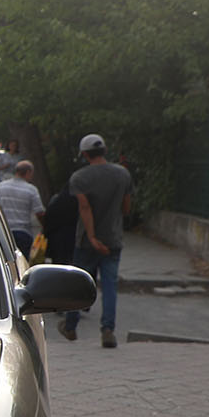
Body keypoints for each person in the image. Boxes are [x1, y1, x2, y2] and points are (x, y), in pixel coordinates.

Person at [57, 132, 135, 348]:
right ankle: (108, 330)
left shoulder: (80, 178)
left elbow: (85, 208)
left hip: (85, 241)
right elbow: (126, 208)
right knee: (110, 285)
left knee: (79, 284)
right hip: (113, 239)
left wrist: (92, 237)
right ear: (105, 151)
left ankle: (71, 326)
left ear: (84, 154)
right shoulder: (122, 174)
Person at [0, 159, 43, 258]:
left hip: (3, 232)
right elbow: (39, 213)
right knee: (22, 264)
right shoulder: (31, 190)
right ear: (28, 172)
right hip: (23, 233)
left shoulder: (0, 187)